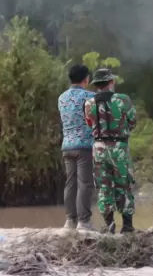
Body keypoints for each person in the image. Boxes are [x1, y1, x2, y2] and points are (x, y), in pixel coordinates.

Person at [84, 68, 137, 234]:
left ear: (96, 84)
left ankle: (109, 225)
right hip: (119, 147)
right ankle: (127, 226)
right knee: (124, 185)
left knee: (104, 186)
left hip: (98, 148)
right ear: (111, 82)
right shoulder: (123, 100)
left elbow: (89, 123)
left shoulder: (89, 103)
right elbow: (133, 121)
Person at [58, 64, 96, 231]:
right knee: (85, 183)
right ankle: (84, 221)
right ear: (86, 79)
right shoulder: (90, 97)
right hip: (84, 146)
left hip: (67, 145)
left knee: (70, 183)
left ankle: (69, 221)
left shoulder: (61, 98)